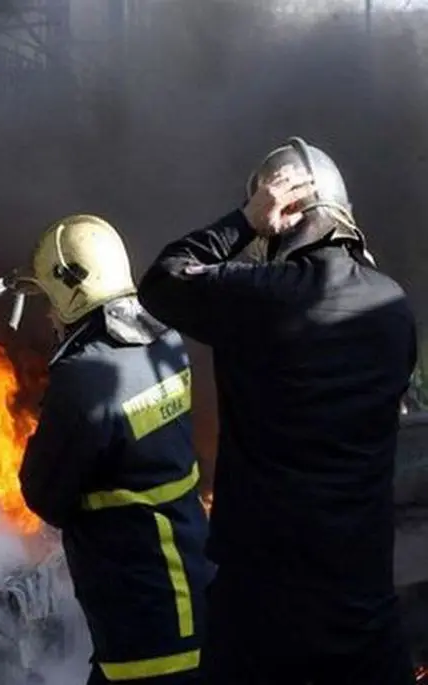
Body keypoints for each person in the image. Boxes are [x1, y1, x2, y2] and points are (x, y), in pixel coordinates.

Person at [137, 136, 418, 685]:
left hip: (264, 614)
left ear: (282, 215)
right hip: (363, 610)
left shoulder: (260, 296)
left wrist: (244, 222)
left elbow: (162, 281)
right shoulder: (394, 308)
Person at [7, 214, 211, 684]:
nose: (48, 315)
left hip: (144, 618)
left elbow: (44, 496)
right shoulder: (166, 341)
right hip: (187, 579)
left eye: (50, 301)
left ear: (71, 292)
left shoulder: (85, 378)